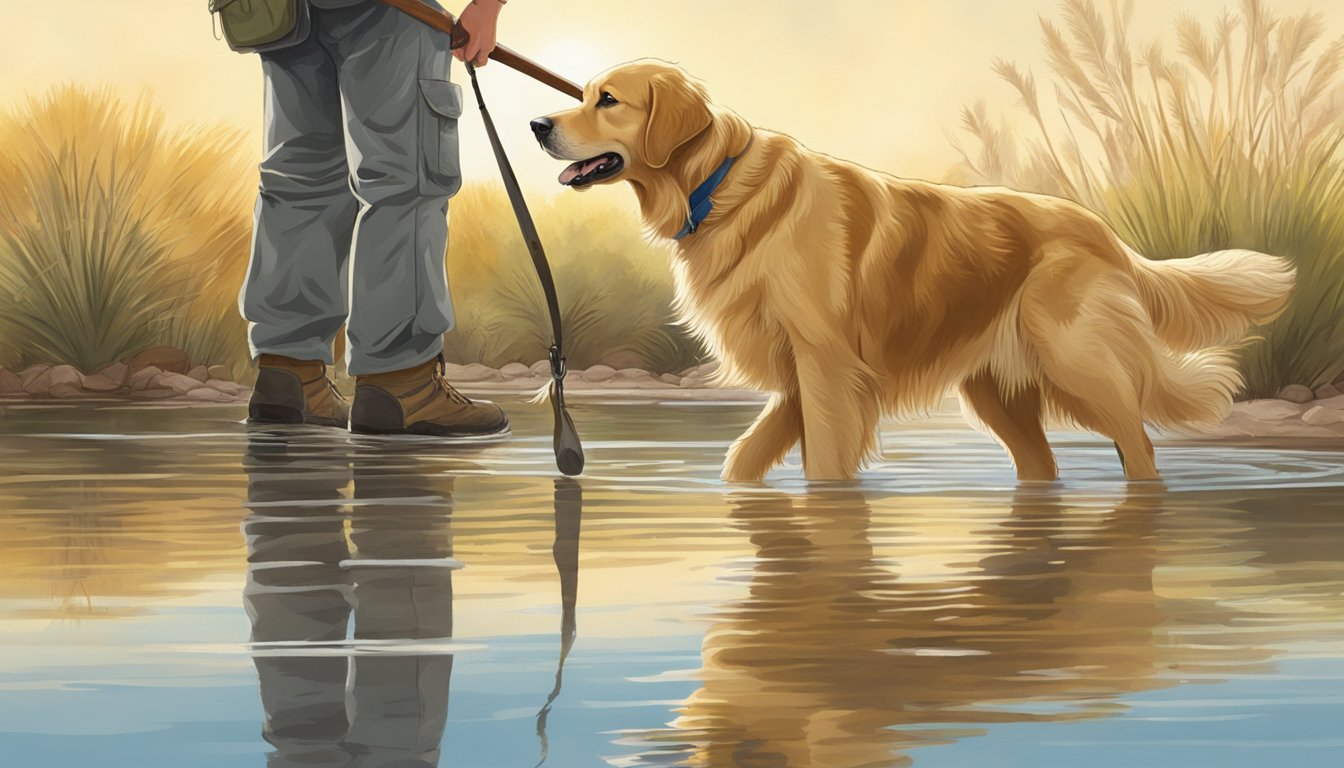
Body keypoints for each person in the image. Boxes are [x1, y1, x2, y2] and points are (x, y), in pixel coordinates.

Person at [240, 0, 511, 438]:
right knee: (406, 180)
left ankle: (290, 375)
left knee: (300, 179)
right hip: (385, 11)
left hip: (281, 11)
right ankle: (403, 385)